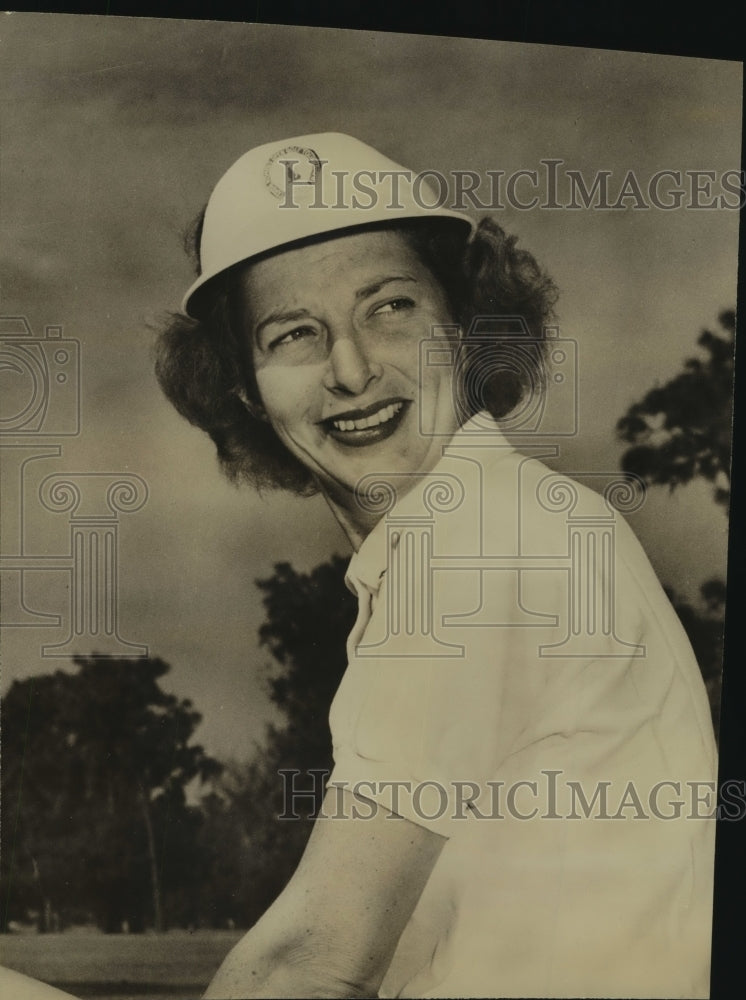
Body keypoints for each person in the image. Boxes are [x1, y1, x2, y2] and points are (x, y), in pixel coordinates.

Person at [155, 133, 717, 999]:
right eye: (295, 334)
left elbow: (315, 963)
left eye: (390, 309)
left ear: (463, 325)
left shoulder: (477, 539)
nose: (351, 370)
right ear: (243, 388)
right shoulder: (505, 520)